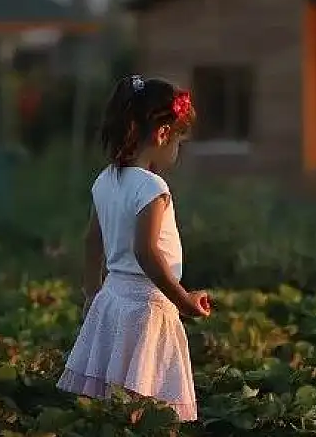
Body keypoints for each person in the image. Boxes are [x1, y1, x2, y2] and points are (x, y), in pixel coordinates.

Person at [57, 74, 211, 422]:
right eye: (178, 142)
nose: (177, 151)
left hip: (112, 300)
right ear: (162, 134)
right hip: (146, 307)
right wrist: (182, 298)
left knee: (113, 404)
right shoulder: (152, 186)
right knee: (149, 405)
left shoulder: (106, 178)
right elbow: (146, 251)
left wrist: (91, 292)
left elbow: (91, 240)